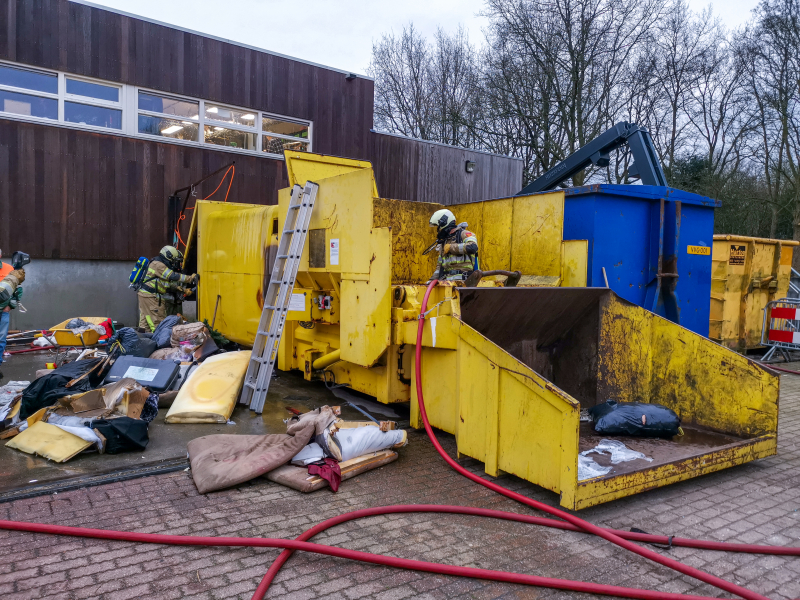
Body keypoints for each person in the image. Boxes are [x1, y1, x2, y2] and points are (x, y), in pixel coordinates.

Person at [137, 245, 198, 331]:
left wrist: (181, 289)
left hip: (145, 296)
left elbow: (165, 283)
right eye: (173, 260)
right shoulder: (159, 265)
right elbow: (172, 276)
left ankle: (143, 339)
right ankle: (160, 342)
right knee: (159, 322)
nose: (174, 263)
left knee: (145, 323)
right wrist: (190, 278)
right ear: (168, 256)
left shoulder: (156, 263)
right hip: (152, 297)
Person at [428, 209, 479, 281]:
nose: (438, 230)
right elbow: (439, 267)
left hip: (465, 283)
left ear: (444, 223)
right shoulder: (445, 242)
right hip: (448, 284)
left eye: (438, 227)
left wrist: (451, 248)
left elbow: (473, 247)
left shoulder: (464, 234)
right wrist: (431, 281)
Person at [0, 250, 24, 381]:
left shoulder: (9, 269)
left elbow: (18, 290)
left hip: (3, 311)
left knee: (1, 339)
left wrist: (9, 306)